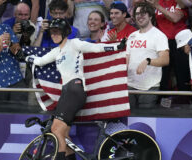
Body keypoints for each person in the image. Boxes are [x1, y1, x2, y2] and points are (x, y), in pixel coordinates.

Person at [25, 18, 125, 160]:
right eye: (52, 32)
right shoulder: (56, 51)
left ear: (65, 32)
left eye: (57, 32)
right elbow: (40, 61)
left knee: (55, 129)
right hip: (67, 92)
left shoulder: (74, 44)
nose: (53, 35)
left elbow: (96, 48)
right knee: (63, 135)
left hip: (75, 89)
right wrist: (25, 56)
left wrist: (116, 47)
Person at [126, 2, 169, 108]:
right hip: (130, 85)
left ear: (150, 15)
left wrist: (148, 61)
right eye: (137, 14)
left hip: (149, 87)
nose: (139, 16)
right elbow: (126, 59)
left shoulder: (159, 36)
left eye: (143, 13)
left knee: (144, 121)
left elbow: (165, 60)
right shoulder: (132, 36)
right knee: (129, 120)